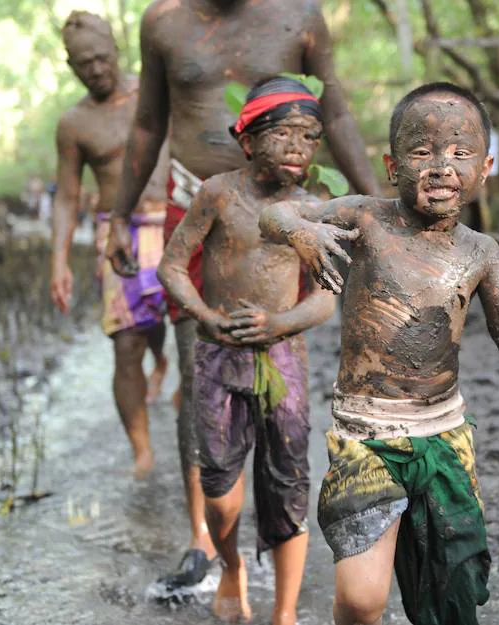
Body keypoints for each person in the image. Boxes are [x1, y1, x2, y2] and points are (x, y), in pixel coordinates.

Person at [260, 82, 499, 625]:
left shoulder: (482, 251)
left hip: (443, 435)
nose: (440, 167)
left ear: (486, 168)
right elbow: (274, 217)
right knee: (363, 600)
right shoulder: (365, 218)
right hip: (366, 435)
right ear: (391, 165)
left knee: (451, 592)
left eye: (460, 154)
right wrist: (304, 233)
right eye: (421, 153)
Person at [105, 0, 381, 591]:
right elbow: (149, 124)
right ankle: (204, 534)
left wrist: (379, 206)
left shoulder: (299, 16)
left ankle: (274, 521)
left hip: (291, 210)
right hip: (197, 199)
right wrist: (119, 215)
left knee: (282, 380)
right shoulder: (163, 20)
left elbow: (335, 115)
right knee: (198, 357)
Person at [157, 76, 335, 625]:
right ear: (247, 140)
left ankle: (284, 613)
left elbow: (327, 296)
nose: (295, 147)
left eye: (308, 137)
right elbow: (171, 265)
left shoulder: (314, 207)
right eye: (282, 133)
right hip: (217, 357)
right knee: (220, 488)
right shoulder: (218, 192)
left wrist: (280, 321)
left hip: (283, 359)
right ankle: (230, 565)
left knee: (288, 484)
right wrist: (205, 315)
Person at [49, 11, 169, 477]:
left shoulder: (155, 94)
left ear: (117, 49)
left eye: (101, 58)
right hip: (118, 233)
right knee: (125, 343)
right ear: (71, 66)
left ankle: (166, 368)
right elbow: (66, 197)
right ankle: (141, 450)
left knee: (185, 330)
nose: (96, 69)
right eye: (84, 64)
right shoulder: (74, 123)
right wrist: (58, 261)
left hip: (174, 221)